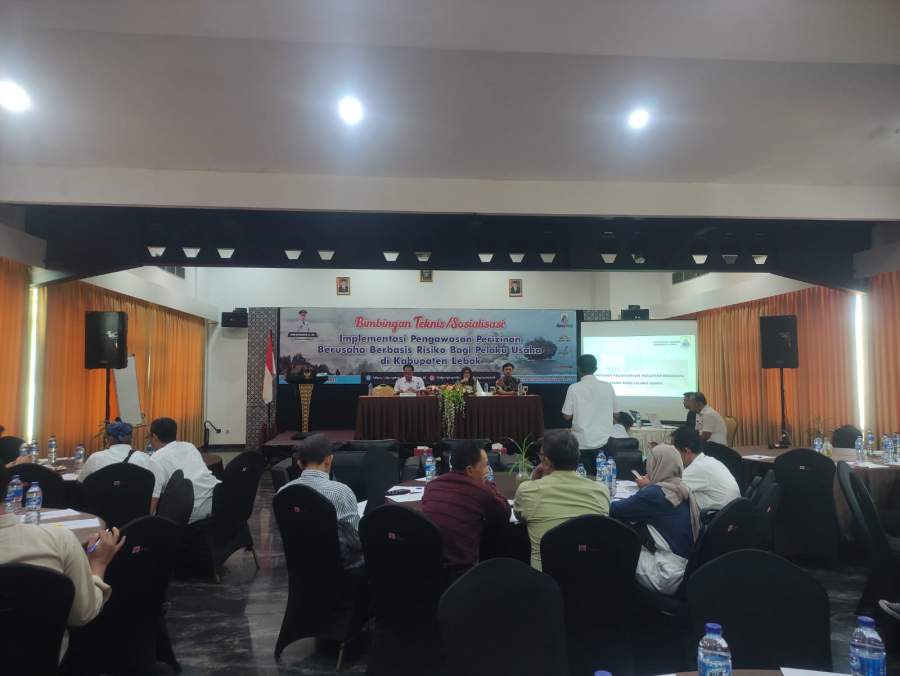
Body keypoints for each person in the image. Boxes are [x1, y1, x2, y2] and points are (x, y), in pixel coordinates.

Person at [0, 463, 125, 660]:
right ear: (8, 488)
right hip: (40, 660)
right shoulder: (59, 541)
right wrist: (98, 565)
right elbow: (83, 614)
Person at [513, 430, 610, 571]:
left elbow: (519, 517)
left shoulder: (528, 490)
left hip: (544, 578)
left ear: (546, 462)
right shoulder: (601, 491)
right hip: (589, 575)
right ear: (578, 457)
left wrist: (534, 480)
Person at [611, 444, 700, 594]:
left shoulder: (654, 494)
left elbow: (613, 510)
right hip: (686, 568)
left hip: (665, 572)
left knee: (612, 550)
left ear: (656, 465)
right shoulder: (682, 487)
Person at [422, 441, 510, 576]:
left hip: (429, 568)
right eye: (486, 465)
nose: (488, 470)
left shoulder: (432, 486)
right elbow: (504, 514)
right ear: (469, 470)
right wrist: (490, 485)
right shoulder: (479, 490)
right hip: (461, 573)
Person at [278, 434, 364, 570]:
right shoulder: (341, 492)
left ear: (299, 463)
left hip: (300, 569)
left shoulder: (282, 493)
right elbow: (355, 539)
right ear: (329, 460)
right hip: (340, 571)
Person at [77, 421, 165, 511]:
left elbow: (80, 482)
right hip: (136, 515)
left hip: (100, 513)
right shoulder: (145, 459)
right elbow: (156, 488)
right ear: (131, 438)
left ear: (108, 439)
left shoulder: (95, 458)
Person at [148, 417, 221, 523]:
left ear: (154, 437)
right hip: (215, 500)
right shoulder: (189, 446)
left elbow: (154, 497)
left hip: (191, 512)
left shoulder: (156, 459)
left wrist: (146, 523)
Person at [672, 426, 740, 511]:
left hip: (720, 515)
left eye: (674, 451)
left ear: (686, 451)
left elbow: (669, 490)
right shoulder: (708, 461)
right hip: (732, 511)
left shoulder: (697, 468)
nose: (672, 455)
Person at [561, 354, 617, 452]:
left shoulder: (573, 388)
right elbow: (617, 414)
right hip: (605, 441)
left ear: (578, 368)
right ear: (596, 368)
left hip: (581, 442)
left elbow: (567, 416)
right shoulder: (608, 386)